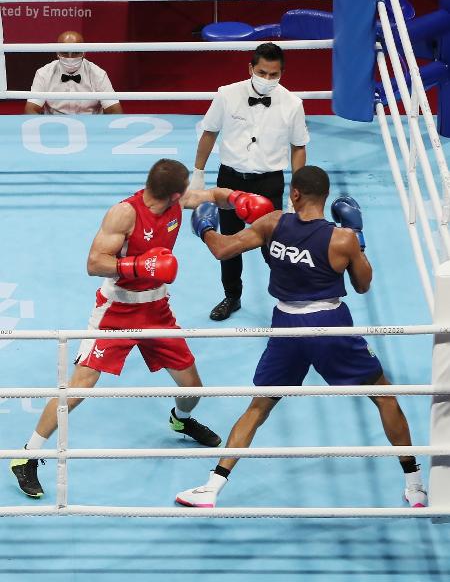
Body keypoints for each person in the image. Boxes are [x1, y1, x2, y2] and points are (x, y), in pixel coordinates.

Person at [9, 159, 273, 498]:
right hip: (116, 311)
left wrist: (238, 198)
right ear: (175, 192)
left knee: (192, 387)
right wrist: (137, 264)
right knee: (79, 387)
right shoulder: (124, 213)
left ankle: (180, 419)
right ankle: (27, 456)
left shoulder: (179, 201)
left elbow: (213, 195)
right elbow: (93, 262)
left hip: (157, 310)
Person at [176, 165, 427, 509]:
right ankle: (415, 486)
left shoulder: (273, 223)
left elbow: (223, 250)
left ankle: (211, 487)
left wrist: (205, 227)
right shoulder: (343, 239)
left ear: (294, 194)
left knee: (258, 406)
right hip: (331, 326)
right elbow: (363, 285)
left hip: (287, 327)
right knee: (385, 398)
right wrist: (357, 234)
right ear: (324, 198)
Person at [190, 42, 310, 321]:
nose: (267, 79)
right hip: (230, 181)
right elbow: (209, 132)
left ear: (282, 73)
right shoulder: (226, 94)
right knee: (230, 243)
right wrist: (198, 173)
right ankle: (232, 296)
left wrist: (297, 191)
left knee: (275, 245)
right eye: (262, 72)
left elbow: (299, 146)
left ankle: (291, 296)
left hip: (269, 183)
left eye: (274, 74)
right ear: (250, 69)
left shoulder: (293, 104)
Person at [24, 30, 123, 115]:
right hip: (54, 126)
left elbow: (115, 111)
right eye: (65, 53)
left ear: (84, 52)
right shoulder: (43, 73)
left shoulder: (98, 74)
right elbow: (30, 109)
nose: (70, 58)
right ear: (57, 53)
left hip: (90, 126)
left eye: (76, 52)